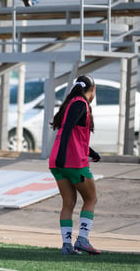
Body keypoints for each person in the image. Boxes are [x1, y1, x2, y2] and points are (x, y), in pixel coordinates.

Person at [49, 75, 101, 255]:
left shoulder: (72, 103)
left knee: (68, 202)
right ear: (92, 89)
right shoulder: (81, 103)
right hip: (72, 162)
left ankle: (67, 246)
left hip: (57, 162)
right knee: (91, 198)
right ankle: (82, 240)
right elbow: (69, 130)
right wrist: (64, 155)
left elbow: (74, 135)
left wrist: (91, 152)